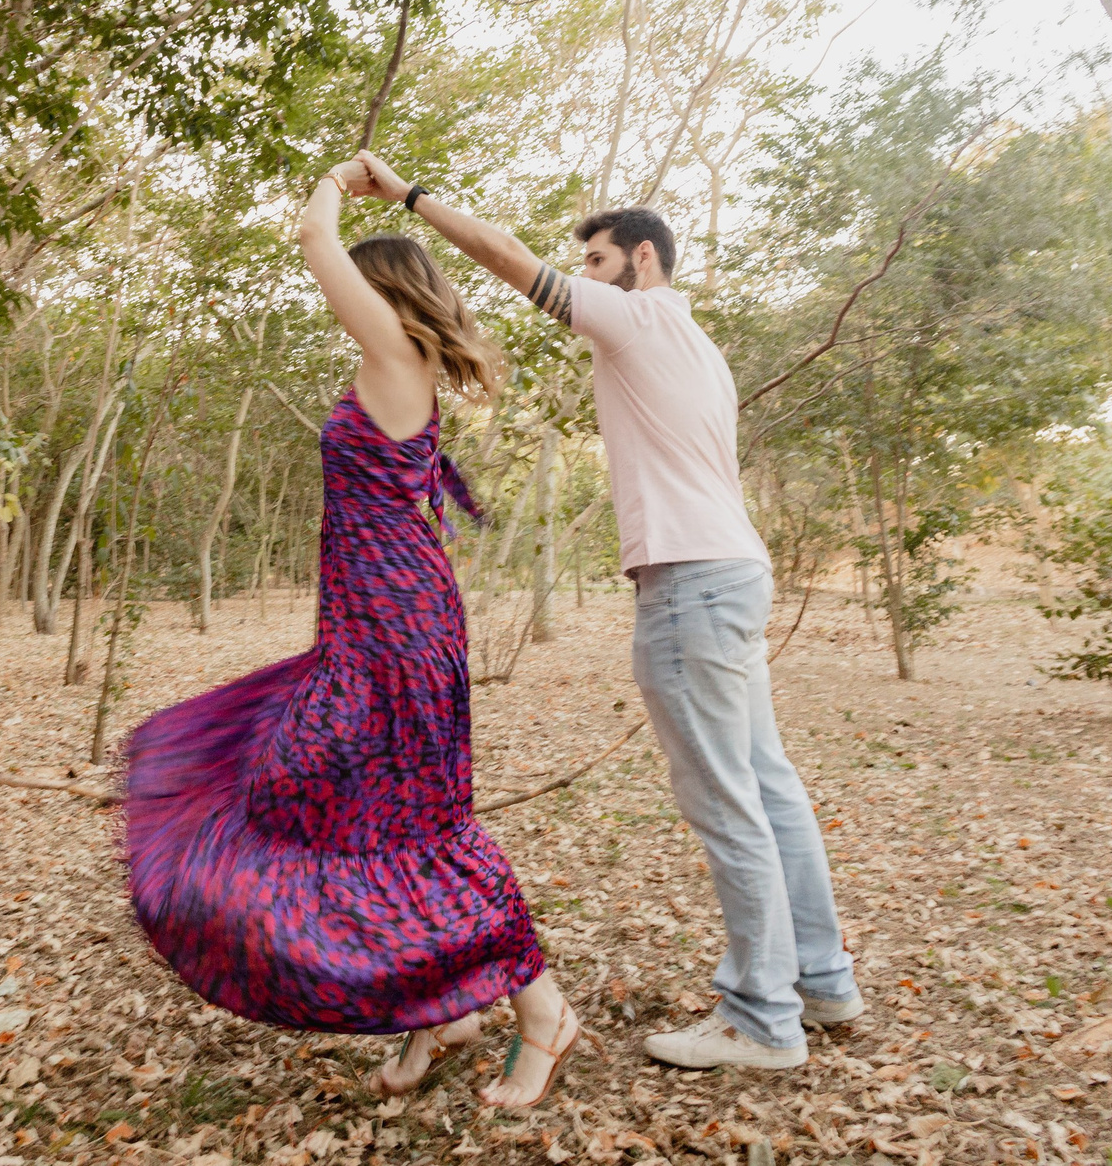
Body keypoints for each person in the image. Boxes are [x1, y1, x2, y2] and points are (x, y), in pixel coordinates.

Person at [341, 150, 861, 1072]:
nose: (583, 275)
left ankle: (761, 1019)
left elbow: (505, 256)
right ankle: (820, 983)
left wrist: (410, 196)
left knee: (727, 799)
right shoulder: (701, 345)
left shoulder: (638, 319)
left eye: (594, 260)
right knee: (770, 786)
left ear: (642, 262)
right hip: (736, 569)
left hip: (690, 583)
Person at [123, 165, 593, 1109]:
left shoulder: (389, 356)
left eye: (357, 289)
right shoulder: (395, 371)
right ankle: (440, 1008)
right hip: (376, 632)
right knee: (367, 814)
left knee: (408, 826)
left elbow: (311, 239)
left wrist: (343, 182)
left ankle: (542, 1009)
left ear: (382, 295)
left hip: (395, 639)